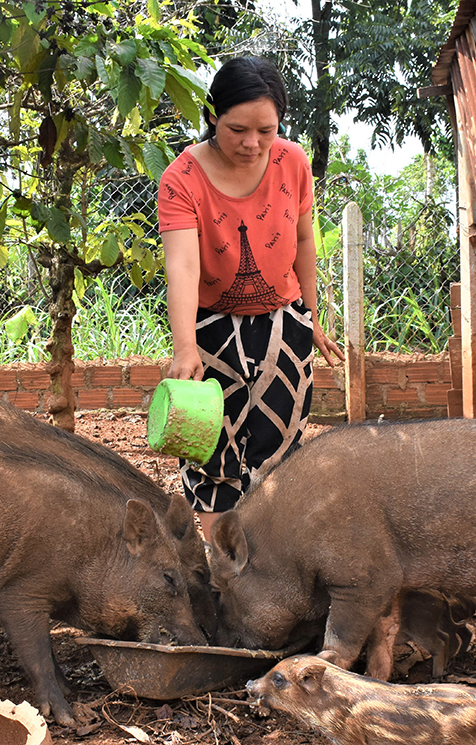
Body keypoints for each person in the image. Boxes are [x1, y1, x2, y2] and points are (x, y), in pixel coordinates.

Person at [157, 55, 344, 539]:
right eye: (238, 128)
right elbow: (181, 264)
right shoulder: (181, 178)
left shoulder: (293, 163)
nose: (252, 143)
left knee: (279, 452)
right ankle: (224, 572)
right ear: (212, 116)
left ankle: (269, 573)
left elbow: (305, 240)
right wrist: (183, 348)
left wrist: (313, 317)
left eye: (267, 130)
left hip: (284, 324)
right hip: (209, 328)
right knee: (210, 451)